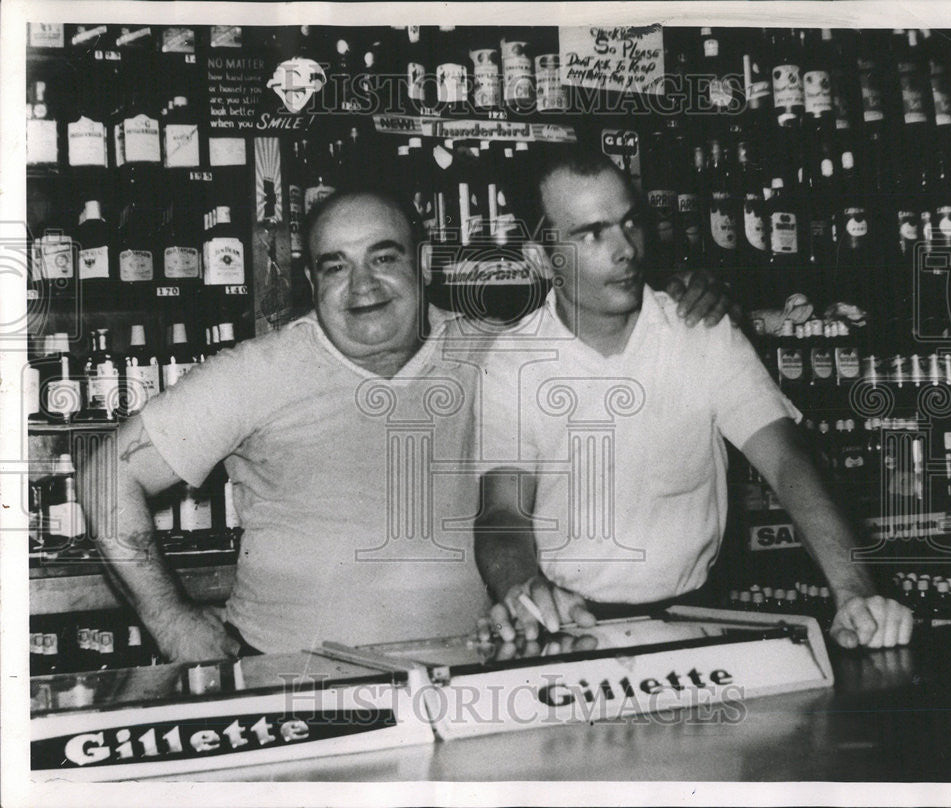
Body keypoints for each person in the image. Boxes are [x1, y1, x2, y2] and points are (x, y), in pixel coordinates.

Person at [81, 183, 732, 662]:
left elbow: (619, 351)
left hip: (478, 680)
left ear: (422, 264)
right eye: (335, 265)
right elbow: (109, 473)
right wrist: (169, 620)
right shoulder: (258, 371)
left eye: (383, 258)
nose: (360, 284)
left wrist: (682, 302)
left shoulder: (498, 353)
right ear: (312, 279)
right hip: (292, 686)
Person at [473, 148, 913, 651]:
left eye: (630, 222)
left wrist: (854, 594)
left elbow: (790, 464)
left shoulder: (700, 331)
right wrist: (520, 587)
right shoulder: (513, 360)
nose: (627, 250)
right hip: (564, 628)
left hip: (696, 620)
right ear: (539, 257)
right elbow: (502, 513)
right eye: (592, 233)